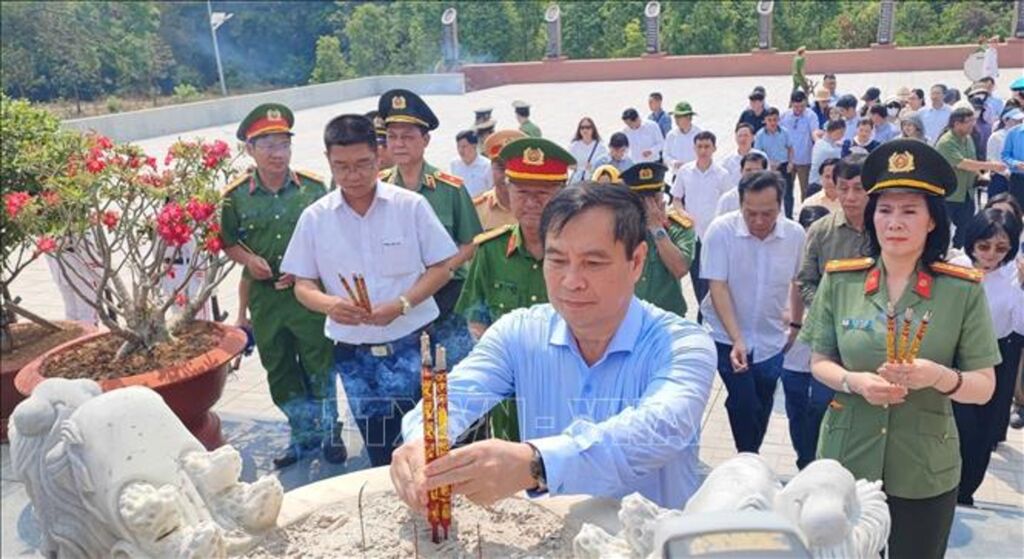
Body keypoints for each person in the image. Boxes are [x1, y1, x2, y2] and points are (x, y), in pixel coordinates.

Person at [390, 183, 717, 510]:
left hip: (648, 536)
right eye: (557, 260)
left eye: (593, 263)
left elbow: (658, 430)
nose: (571, 281)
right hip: (552, 533)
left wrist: (536, 464)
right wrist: (422, 441)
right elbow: (457, 394)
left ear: (637, 262)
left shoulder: (683, 345)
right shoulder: (518, 333)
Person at [800, 139, 1000, 558]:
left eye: (909, 211)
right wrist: (855, 382)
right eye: (885, 210)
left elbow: (984, 387)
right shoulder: (841, 281)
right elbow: (819, 361)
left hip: (923, 467)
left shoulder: (961, 291)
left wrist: (939, 376)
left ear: (932, 221)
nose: (895, 222)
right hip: (847, 460)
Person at [282, 113, 457, 468]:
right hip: (355, 354)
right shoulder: (315, 218)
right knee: (380, 450)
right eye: (341, 167)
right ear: (328, 161)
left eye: (363, 164)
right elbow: (302, 284)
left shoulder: (410, 207)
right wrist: (329, 304)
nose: (353, 176)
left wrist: (403, 303)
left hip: (414, 345)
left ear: (379, 157)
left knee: (429, 445)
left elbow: (443, 267)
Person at [220, 103, 345, 469]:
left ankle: (330, 432)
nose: (278, 153)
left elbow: (331, 238)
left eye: (284, 144)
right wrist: (249, 261)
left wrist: (307, 268)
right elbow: (228, 241)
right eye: (269, 145)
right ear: (250, 149)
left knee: (320, 365)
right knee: (279, 369)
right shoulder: (234, 196)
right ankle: (302, 434)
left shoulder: (313, 188)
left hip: (308, 297)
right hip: (265, 301)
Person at [456, 138, 576, 442]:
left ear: (562, 195)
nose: (531, 202)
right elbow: (476, 318)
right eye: (522, 192)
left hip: (571, 389)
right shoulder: (491, 251)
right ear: (508, 191)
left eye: (543, 193)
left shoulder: (581, 253)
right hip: (509, 394)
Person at [701, 170, 806, 454]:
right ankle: (747, 458)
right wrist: (737, 339)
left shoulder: (795, 235)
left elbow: (798, 282)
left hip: (772, 337)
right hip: (726, 335)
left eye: (767, 214)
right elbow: (718, 286)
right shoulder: (721, 231)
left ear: (780, 205)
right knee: (743, 401)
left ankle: (751, 455)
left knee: (763, 400)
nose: (759, 221)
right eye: (751, 213)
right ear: (740, 204)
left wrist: (796, 325)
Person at [378, 89, 484, 365]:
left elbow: (471, 242)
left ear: (425, 140)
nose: (399, 144)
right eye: (392, 137)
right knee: (405, 371)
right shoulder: (378, 189)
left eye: (407, 137)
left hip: (445, 296)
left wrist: (441, 270)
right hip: (398, 295)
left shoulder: (450, 189)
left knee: (452, 369)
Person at [949, 208, 1023, 506]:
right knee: (955, 424)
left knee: (983, 430)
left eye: (1001, 248)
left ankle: (966, 491)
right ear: (972, 242)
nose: (991, 255)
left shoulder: (1014, 275)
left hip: (997, 355)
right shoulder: (954, 267)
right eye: (984, 246)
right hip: (954, 354)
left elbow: (1019, 326)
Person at [782, 204, 833, 469]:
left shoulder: (836, 265)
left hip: (826, 351)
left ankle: (814, 460)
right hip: (794, 348)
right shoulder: (786, 259)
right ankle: (804, 457)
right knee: (796, 408)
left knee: (820, 406)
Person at [621, 163, 696, 317]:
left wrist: (657, 229)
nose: (648, 206)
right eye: (641, 199)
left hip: (667, 316)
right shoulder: (618, 229)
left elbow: (680, 269)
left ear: (662, 198)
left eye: (653, 198)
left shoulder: (679, 227)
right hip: (627, 315)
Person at [670, 131, 732, 313]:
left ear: (714, 148)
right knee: (697, 278)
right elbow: (676, 199)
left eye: (707, 146)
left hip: (714, 236)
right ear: (694, 148)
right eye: (699, 147)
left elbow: (728, 202)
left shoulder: (722, 174)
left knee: (714, 277)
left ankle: (711, 313)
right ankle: (702, 312)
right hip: (693, 235)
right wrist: (683, 214)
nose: (703, 151)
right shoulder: (685, 171)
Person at [797, 154, 870, 306]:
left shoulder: (886, 229)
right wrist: (825, 310)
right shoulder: (820, 231)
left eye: (858, 189)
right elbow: (805, 282)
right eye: (843, 188)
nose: (850, 197)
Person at [935, 106, 1006, 248]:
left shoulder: (967, 138)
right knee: (942, 230)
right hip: (950, 194)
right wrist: (991, 166)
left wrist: (981, 176)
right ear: (957, 123)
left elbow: (972, 161)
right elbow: (963, 163)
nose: (973, 124)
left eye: (973, 120)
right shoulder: (946, 142)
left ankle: (957, 253)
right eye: (968, 121)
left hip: (967, 193)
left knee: (965, 228)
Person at [473, 129, 525, 231]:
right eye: (501, 168)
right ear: (491, 169)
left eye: (514, 168)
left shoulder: (538, 207)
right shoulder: (476, 210)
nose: (507, 176)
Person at [754, 107, 796, 218]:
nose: (772, 123)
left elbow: (790, 148)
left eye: (775, 119)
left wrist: (791, 162)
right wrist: (768, 164)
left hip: (784, 166)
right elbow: (757, 154)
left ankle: (789, 216)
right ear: (765, 120)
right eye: (769, 120)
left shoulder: (784, 132)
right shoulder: (760, 135)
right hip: (768, 168)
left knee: (788, 194)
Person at [781, 90, 818, 204]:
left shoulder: (811, 116)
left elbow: (814, 132)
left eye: (802, 106)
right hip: (788, 160)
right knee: (786, 190)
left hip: (805, 160)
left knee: (805, 191)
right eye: (796, 106)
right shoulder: (784, 116)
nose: (799, 109)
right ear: (791, 103)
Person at [714, 151, 769, 218]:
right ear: (741, 171)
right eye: (748, 170)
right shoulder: (728, 200)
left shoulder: (772, 199)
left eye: (757, 170)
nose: (753, 174)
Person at [987, 107, 1024, 198]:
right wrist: (1007, 170)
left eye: (1020, 120)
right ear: (1005, 120)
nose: (1019, 122)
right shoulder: (996, 136)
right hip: (1002, 177)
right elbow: (991, 158)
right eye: (1015, 120)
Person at [450, 130, 493, 198]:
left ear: (474, 146)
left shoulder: (487, 165)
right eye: (458, 146)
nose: (460, 150)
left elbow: (493, 190)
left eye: (464, 147)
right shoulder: (454, 164)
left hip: (482, 202)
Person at [663, 101, 702, 172]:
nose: (676, 120)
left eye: (679, 117)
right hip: (677, 175)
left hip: (695, 174)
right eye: (675, 117)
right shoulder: (671, 135)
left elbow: (705, 155)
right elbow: (665, 155)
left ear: (688, 117)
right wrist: (674, 162)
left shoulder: (699, 135)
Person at [568, 117, 608, 184]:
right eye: (582, 127)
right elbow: (568, 164)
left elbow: (604, 165)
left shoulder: (600, 147)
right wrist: (581, 167)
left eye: (588, 127)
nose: (585, 130)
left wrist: (592, 167)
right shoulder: (574, 146)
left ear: (593, 129)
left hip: (594, 181)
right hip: (577, 181)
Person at [719, 123, 758, 187]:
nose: (742, 139)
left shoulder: (761, 157)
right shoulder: (727, 161)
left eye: (746, 135)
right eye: (740, 136)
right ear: (735, 138)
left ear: (753, 137)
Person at [809, 119, 844, 185]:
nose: (842, 136)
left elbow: (816, 133)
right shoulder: (831, 150)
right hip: (819, 184)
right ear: (830, 132)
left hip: (813, 181)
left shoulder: (819, 142)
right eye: (840, 133)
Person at [1001, 102, 1024, 203]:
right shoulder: (1013, 133)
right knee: (1017, 207)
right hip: (1018, 179)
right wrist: (1016, 163)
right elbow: (1005, 155)